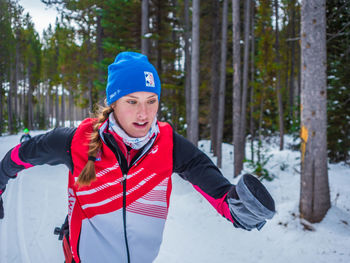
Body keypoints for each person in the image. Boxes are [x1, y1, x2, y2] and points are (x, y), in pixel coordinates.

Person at [0, 52, 275, 263]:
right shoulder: (77, 141)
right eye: (132, 101)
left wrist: (238, 210)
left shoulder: (169, 145)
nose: (143, 113)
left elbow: (218, 190)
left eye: (151, 100)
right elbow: (21, 155)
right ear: (114, 102)